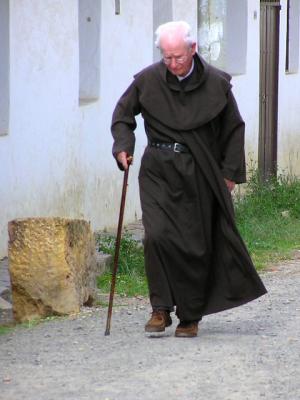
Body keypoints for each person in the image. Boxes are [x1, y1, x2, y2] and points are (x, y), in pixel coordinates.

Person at [111, 21, 267, 338]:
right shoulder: (148, 80)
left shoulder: (216, 83)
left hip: (198, 170)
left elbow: (234, 129)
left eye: (178, 56)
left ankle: (190, 316)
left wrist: (229, 174)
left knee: (194, 244)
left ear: (193, 49)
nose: (172, 64)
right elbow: (123, 116)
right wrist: (123, 148)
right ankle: (160, 308)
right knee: (156, 236)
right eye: (166, 57)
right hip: (157, 169)